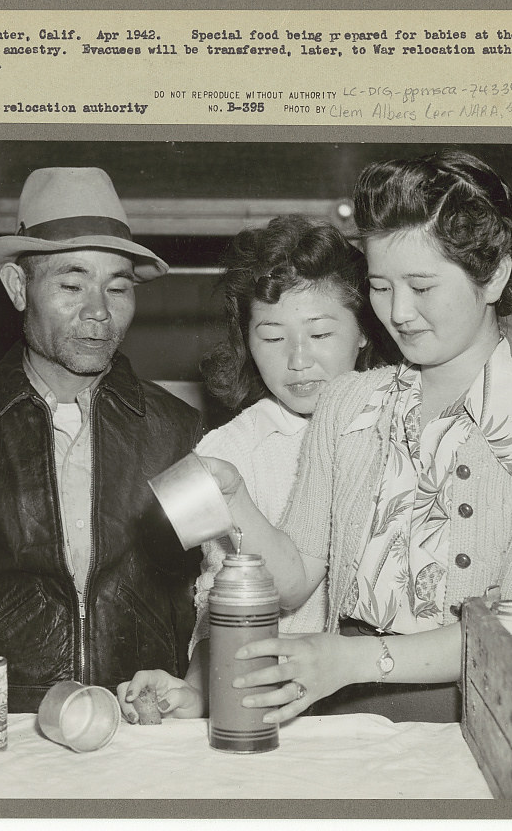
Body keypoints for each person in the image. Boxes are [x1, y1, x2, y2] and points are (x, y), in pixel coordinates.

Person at [144, 149, 512, 725]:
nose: (399, 313)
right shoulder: (348, 404)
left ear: (493, 275)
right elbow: (293, 583)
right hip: (340, 704)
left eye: (421, 286)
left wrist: (351, 660)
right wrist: (235, 497)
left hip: (476, 712)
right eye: (380, 286)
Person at [0, 167, 204, 712]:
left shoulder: (177, 429)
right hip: (3, 726)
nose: (99, 311)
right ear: (17, 287)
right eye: (72, 286)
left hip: (139, 720)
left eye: (118, 288)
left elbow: (206, 595)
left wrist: (193, 693)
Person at [117, 214, 388, 722]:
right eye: (272, 337)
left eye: (320, 332)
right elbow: (215, 602)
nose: (298, 360)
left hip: (385, 703)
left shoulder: (405, 427)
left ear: (363, 332)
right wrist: (196, 693)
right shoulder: (230, 452)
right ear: (246, 339)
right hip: (272, 709)